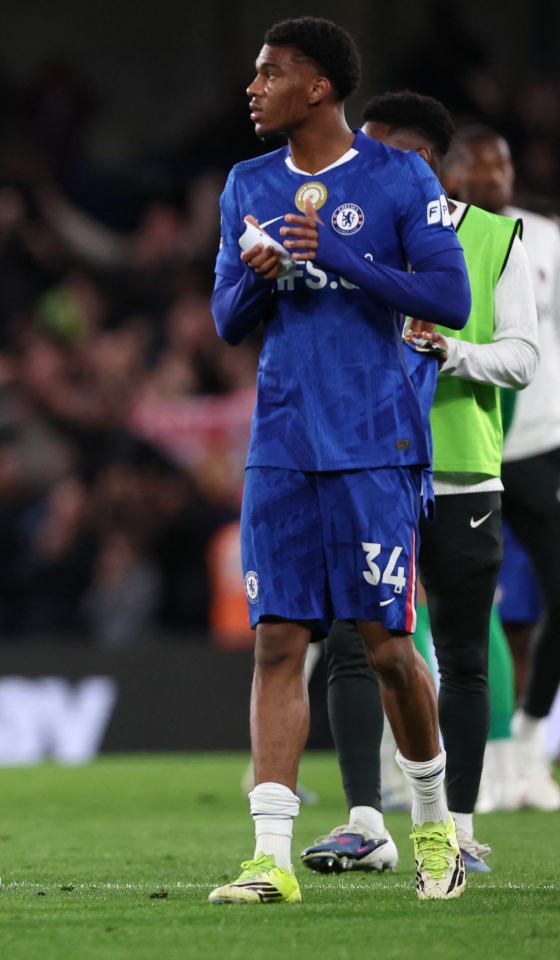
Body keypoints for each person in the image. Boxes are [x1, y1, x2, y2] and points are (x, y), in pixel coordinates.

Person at [208, 18, 473, 904]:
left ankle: (434, 830)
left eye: (269, 73)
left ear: (318, 87)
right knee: (278, 641)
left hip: (374, 442)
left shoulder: (400, 176)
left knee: (389, 647)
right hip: (281, 444)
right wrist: (258, 270)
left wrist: (346, 259)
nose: (253, 88)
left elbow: (450, 296)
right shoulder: (246, 184)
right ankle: (271, 857)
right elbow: (226, 321)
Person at [298, 92, 537, 878]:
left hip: (463, 469)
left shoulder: (496, 239)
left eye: (375, 152)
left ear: (421, 162)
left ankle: (459, 825)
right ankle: (367, 821)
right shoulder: (354, 237)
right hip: (368, 465)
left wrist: (450, 354)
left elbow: (521, 358)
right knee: (350, 643)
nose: (357, 166)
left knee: (463, 653)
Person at [443, 126, 560, 812]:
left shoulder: (544, 238)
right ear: (454, 173)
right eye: (481, 165)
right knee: (457, 612)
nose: (496, 175)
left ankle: (526, 744)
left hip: (539, 444)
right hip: (466, 445)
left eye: (504, 162)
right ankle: (452, 767)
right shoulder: (436, 238)